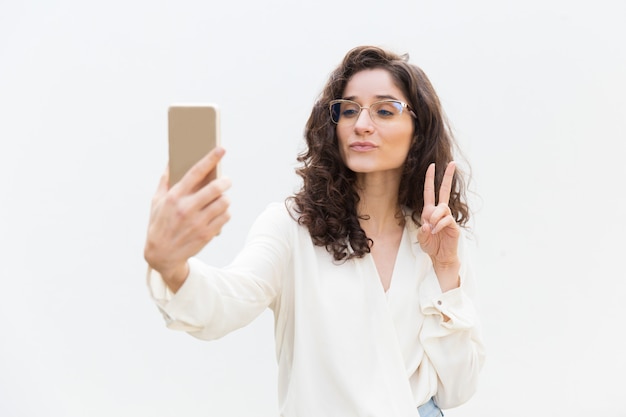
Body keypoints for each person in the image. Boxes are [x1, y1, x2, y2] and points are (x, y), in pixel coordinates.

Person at [144, 45, 486, 417]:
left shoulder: (437, 238)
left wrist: (446, 268)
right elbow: (224, 303)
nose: (362, 124)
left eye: (385, 110)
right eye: (349, 110)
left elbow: (457, 388)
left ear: (417, 132)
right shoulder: (292, 228)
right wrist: (171, 265)